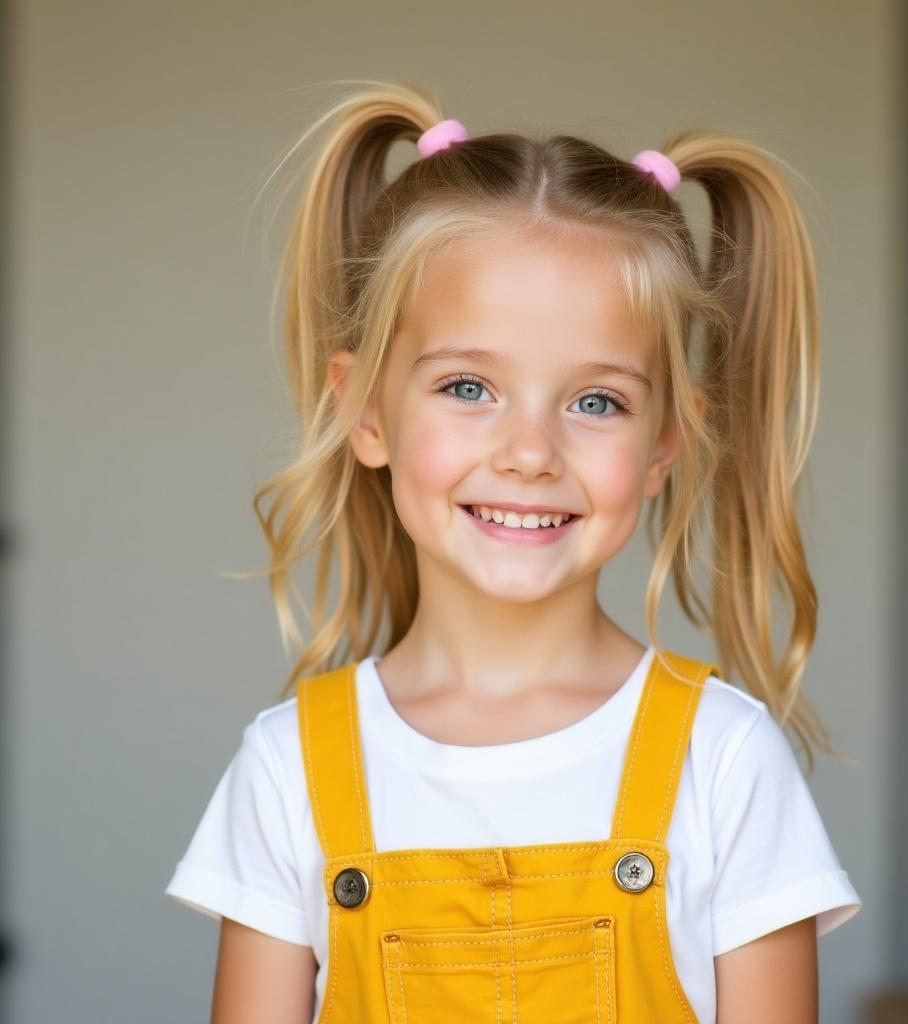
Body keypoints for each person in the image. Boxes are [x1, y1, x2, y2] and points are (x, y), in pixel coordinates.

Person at [165, 79, 862, 1024]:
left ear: (667, 444)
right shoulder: (287, 769)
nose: (530, 453)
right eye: (467, 387)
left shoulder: (725, 763)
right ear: (364, 408)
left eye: (596, 402)